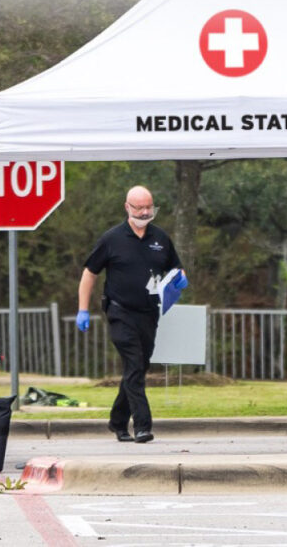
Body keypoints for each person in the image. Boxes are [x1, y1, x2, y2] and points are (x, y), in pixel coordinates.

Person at [76, 186, 188, 443]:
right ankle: (142, 425)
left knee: (137, 367)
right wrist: (83, 309)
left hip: (149, 313)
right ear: (127, 207)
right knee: (135, 364)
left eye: (150, 207)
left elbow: (176, 269)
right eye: (140, 208)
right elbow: (89, 273)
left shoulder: (160, 238)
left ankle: (117, 421)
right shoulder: (111, 239)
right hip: (119, 310)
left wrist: (181, 279)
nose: (146, 212)